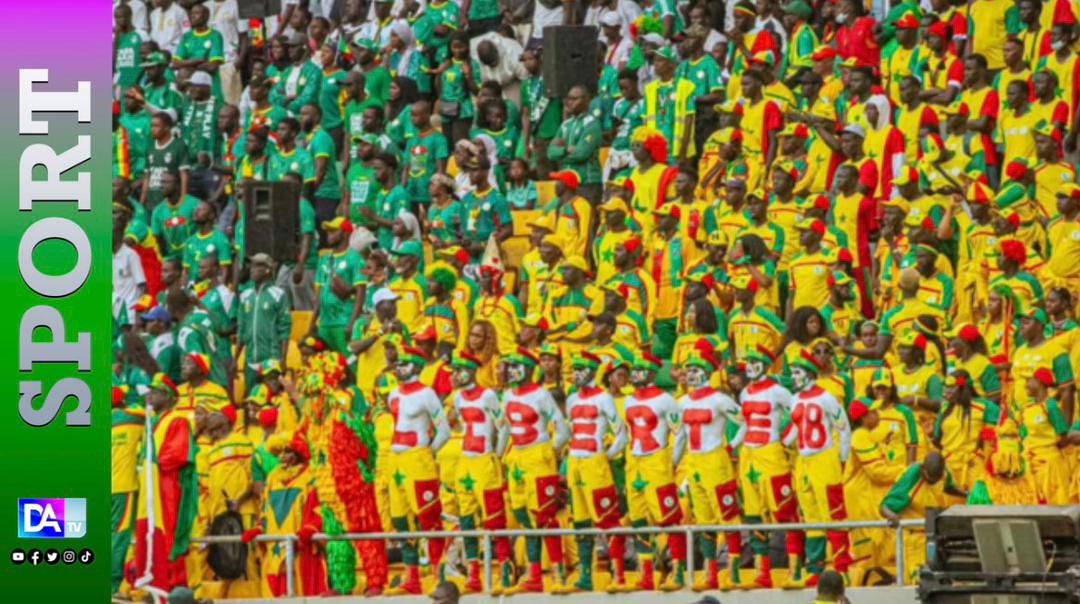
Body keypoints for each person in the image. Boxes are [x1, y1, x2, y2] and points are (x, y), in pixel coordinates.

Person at [500, 348, 570, 593]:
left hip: (538, 455)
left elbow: (562, 428)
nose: (511, 370)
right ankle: (533, 575)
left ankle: (558, 574)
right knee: (524, 518)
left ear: (530, 369)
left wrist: (550, 450)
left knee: (545, 517)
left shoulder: (541, 395)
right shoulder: (507, 395)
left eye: (516, 366)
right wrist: (499, 456)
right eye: (509, 366)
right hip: (516, 459)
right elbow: (505, 428)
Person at [385, 346, 452, 594]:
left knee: (429, 518)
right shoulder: (392, 394)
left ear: (416, 366)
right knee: (401, 520)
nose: (399, 367)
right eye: (397, 363)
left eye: (404, 363)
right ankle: (411, 577)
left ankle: (438, 576)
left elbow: (443, 430)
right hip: (396, 460)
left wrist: (426, 452)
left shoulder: (427, 394)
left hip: (419, 458)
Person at [675, 346, 743, 590]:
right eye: (688, 369)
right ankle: (710, 573)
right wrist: (673, 463)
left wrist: (731, 447)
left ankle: (733, 574)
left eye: (695, 369)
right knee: (703, 520)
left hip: (716, 461)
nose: (691, 374)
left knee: (728, 515)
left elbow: (744, 422)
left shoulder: (720, 400)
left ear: (706, 372)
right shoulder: (681, 402)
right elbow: (680, 437)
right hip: (693, 462)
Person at [784, 351, 852, 586]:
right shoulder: (794, 399)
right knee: (810, 515)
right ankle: (815, 568)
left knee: (833, 514)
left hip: (824, 458)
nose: (794, 377)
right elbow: (795, 427)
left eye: (797, 373)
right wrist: (781, 442)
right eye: (792, 373)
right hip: (804, 461)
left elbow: (843, 427)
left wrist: (842, 458)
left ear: (810, 374)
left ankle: (842, 568)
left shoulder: (827, 397)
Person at [624, 352, 688, 591]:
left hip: (657, 459)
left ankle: (678, 571)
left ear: (651, 373)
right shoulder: (629, 400)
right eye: (635, 369)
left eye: (640, 369)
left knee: (668, 518)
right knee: (638, 519)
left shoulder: (666, 400)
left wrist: (670, 461)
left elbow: (680, 433)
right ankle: (647, 573)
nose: (635, 373)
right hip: (635, 462)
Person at [134, 373, 197, 595]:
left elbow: (178, 454)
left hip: (168, 487)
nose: (149, 396)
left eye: (155, 391)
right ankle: (154, 584)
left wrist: (153, 464)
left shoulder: (177, 420)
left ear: (168, 396)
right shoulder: (150, 423)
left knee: (167, 535)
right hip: (151, 487)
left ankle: (173, 585)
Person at [880, 452, 965, 584]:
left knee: (937, 580)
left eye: (935, 479)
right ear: (923, 469)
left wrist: (966, 494)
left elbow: (948, 487)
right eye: (930, 478)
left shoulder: (943, 473)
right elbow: (884, 506)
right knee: (917, 582)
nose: (932, 481)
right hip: (913, 538)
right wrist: (892, 516)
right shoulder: (912, 477)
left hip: (932, 535)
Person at [237, 253, 292, 392]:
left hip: (270, 360)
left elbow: (284, 329)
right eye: (251, 265)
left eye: (256, 266)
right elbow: (241, 329)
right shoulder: (245, 296)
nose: (251, 269)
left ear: (267, 269)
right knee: (251, 403)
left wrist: (283, 359)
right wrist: (235, 358)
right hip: (250, 360)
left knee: (269, 403)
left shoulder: (278, 294)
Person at [312, 217, 367, 355]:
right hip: (325, 323)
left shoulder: (355, 258)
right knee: (326, 365)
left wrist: (351, 324)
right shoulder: (323, 259)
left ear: (346, 233)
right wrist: (312, 322)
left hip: (343, 321)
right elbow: (318, 296)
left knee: (349, 363)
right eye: (328, 231)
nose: (328, 234)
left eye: (333, 231)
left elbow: (360, 295)